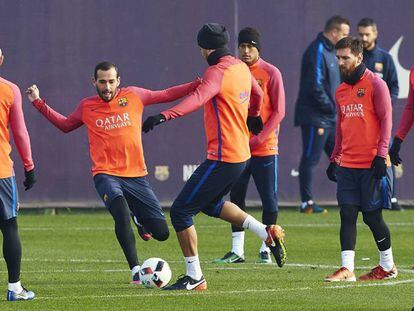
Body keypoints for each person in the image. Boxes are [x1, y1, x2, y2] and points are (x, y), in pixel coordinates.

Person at [26, 61, 201, 285]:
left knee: (161, 233)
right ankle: (136, 270)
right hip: (105, 173)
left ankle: (139, 218)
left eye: (111, 81)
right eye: (102, 82)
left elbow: (166, 94)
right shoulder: (86, 106)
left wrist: (195, 85)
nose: (107, 87)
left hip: (136, 175)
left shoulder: (135, 95)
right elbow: (65, 125)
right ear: (94, 82)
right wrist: (38, 103)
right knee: (120, 210)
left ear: (118, 81)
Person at [142, 23, 287, 291]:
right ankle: (264, 231)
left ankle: (195, 277)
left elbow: (197, 99)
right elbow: (257, 93)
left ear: (205, 48)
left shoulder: (217, 72)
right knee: (211, 205)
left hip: (224, 157)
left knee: (180, 212)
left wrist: (164, 116)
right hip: (240, 154)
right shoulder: (240, 67)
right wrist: (254, 114)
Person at [325, 37, 397, 282]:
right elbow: (341, 126)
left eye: (345, 58)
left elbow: (387, 120)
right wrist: (334, 157)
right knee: (347, 212)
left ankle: (387, 265)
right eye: (338, 58)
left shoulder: (377, 85)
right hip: (347, 164)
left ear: (359, 57)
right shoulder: (341, 90)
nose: (340, 63)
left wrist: (381, 154)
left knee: (372, 217)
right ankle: (347, 269)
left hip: (371, 163)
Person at [213, 27, 286, 264]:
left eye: (250, 47)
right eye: (242, 46)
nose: (245, 51)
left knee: (269, 199)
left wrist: (259, 138)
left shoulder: (271, 72)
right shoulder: (233, 71)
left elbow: (279, 111)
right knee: (236, 198)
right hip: (239, 148)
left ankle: (267, 247)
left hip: (265, 148)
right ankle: (237, 251)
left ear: (258, 48)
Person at [294, 15, 350, 213]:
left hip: (330, 117)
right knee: (310, 157)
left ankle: (350, 198)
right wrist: (334, 108)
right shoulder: (316, 50)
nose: (346, 38)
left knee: (341, 157)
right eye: (344, 34)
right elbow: (315, 86)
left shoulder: (333, 52)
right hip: (315, 117)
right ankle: (306, 203)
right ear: (334, 32)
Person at [0, 48, 37, 301]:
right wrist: (29, 166)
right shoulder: (10, 89)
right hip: (1, 171)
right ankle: (14, 288)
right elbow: (21, 132)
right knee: (9, 226)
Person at [357, 17, 402, 211]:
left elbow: (394, 86)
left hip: (380, 119)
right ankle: (362, 196)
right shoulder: (356, 57)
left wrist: (384, 106)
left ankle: (390, 197)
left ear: (375, 34)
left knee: (386, 154)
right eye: (360, 34)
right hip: (359, 118)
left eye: (367, 34)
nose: (364, 38)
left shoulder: (384, 58)